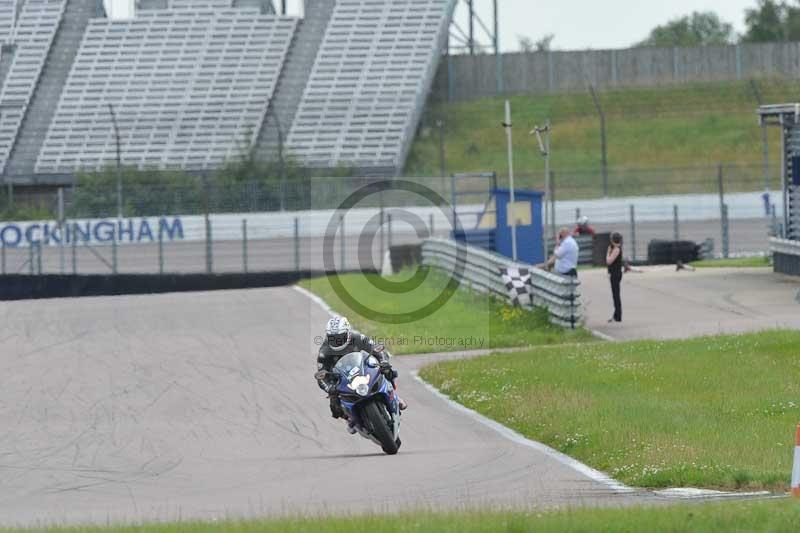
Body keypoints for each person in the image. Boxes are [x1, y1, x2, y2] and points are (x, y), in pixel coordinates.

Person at [316, 316, 407, 433]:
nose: (337, 340)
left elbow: (376, 348)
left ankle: (394, 396)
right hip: (342, 378)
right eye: (333, 338)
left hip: (362, 368)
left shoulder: (358, 338)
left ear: (348, 332)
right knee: (334, 405)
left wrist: (383, 362)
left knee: (388, 371)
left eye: (340, 337)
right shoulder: (324, 351)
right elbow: (320, 375)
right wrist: (329, 388)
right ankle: (349, 418)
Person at [606, 232, 623, 323]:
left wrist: (608, 253)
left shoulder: (616, 249)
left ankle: (618, 315)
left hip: (616, 274)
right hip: (614, 273)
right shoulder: (615, 248)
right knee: (615, 294)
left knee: (616, 295)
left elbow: (609, 261)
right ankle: (616, 314)